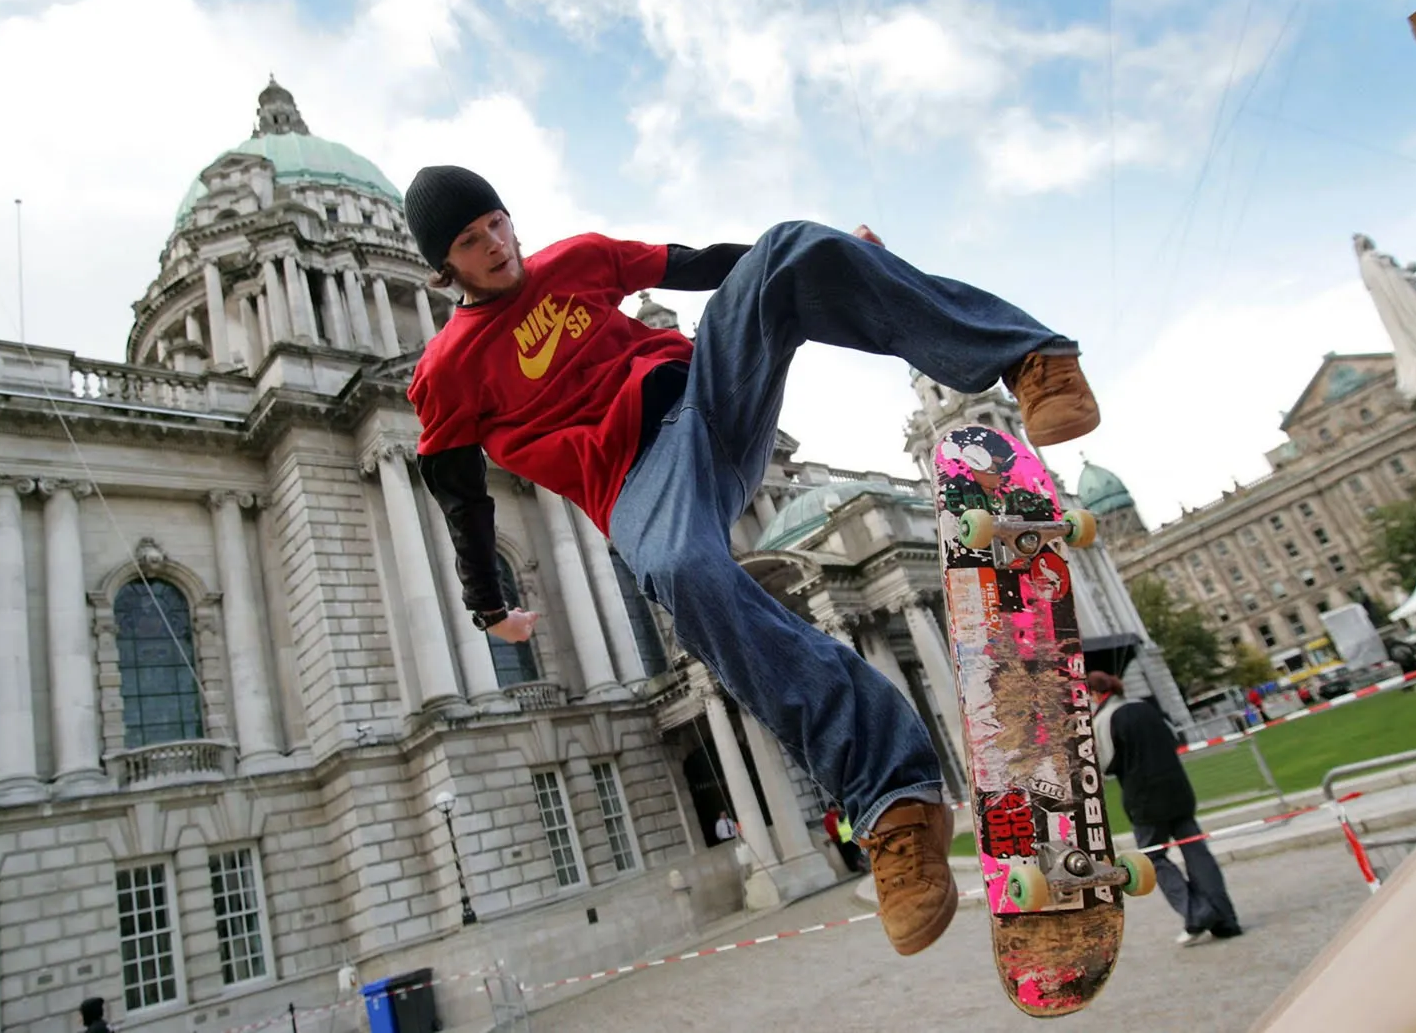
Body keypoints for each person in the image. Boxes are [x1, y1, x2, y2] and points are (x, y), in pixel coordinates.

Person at [402, 165, 1100, 957]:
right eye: (469, 240)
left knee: (789, 246)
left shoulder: (579, 258)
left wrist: (836, 257)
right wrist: (488, 603)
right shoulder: (448, 370)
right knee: (686, 575)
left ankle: (1033, 357)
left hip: (706, 395)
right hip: (639, 483)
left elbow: (708, 263)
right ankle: (896, 803)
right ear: (444, 264)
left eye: (495, 222)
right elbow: (460, 493)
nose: (494, 244)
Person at [1088, 670, 1243, 946]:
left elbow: (1104, 762)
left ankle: (1197, 913)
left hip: (1144, 798)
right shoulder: (1146, 707)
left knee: (1152, 858)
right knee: (1196, 850)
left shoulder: (1104, 719)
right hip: (1178, 788)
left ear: (1095, 695)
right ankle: (1225, 919)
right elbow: (1173, 738)